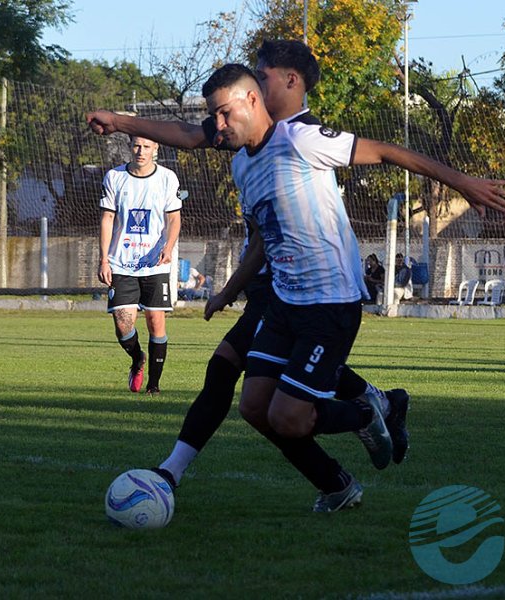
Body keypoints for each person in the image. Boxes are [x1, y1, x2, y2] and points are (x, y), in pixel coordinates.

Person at [89, 42, 412, 511]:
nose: (256, 84)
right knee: (260, 399)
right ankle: (354, 445)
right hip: (275, 290)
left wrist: (121, 121)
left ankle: (366, 414)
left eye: (263, 76)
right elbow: (252, 220)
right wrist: (230, 289)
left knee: (257, 388)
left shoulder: (295, 137)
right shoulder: (242, 152)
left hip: (305, 291)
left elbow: (380, 153)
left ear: (280, 86)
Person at [99, 135, 182, 394]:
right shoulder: (115, 177)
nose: (141, 151)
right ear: (129, 146)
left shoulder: (168, 178)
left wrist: (167, 248)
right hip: (121, 263)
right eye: (136, 145)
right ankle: (137, 359)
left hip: (155, 263)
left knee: (155, 321)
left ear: (156, 147)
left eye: (147, 146)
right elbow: (107, 218)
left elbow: (174, 219)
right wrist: (103, 259)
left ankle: (153, 386)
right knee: (123, 324)